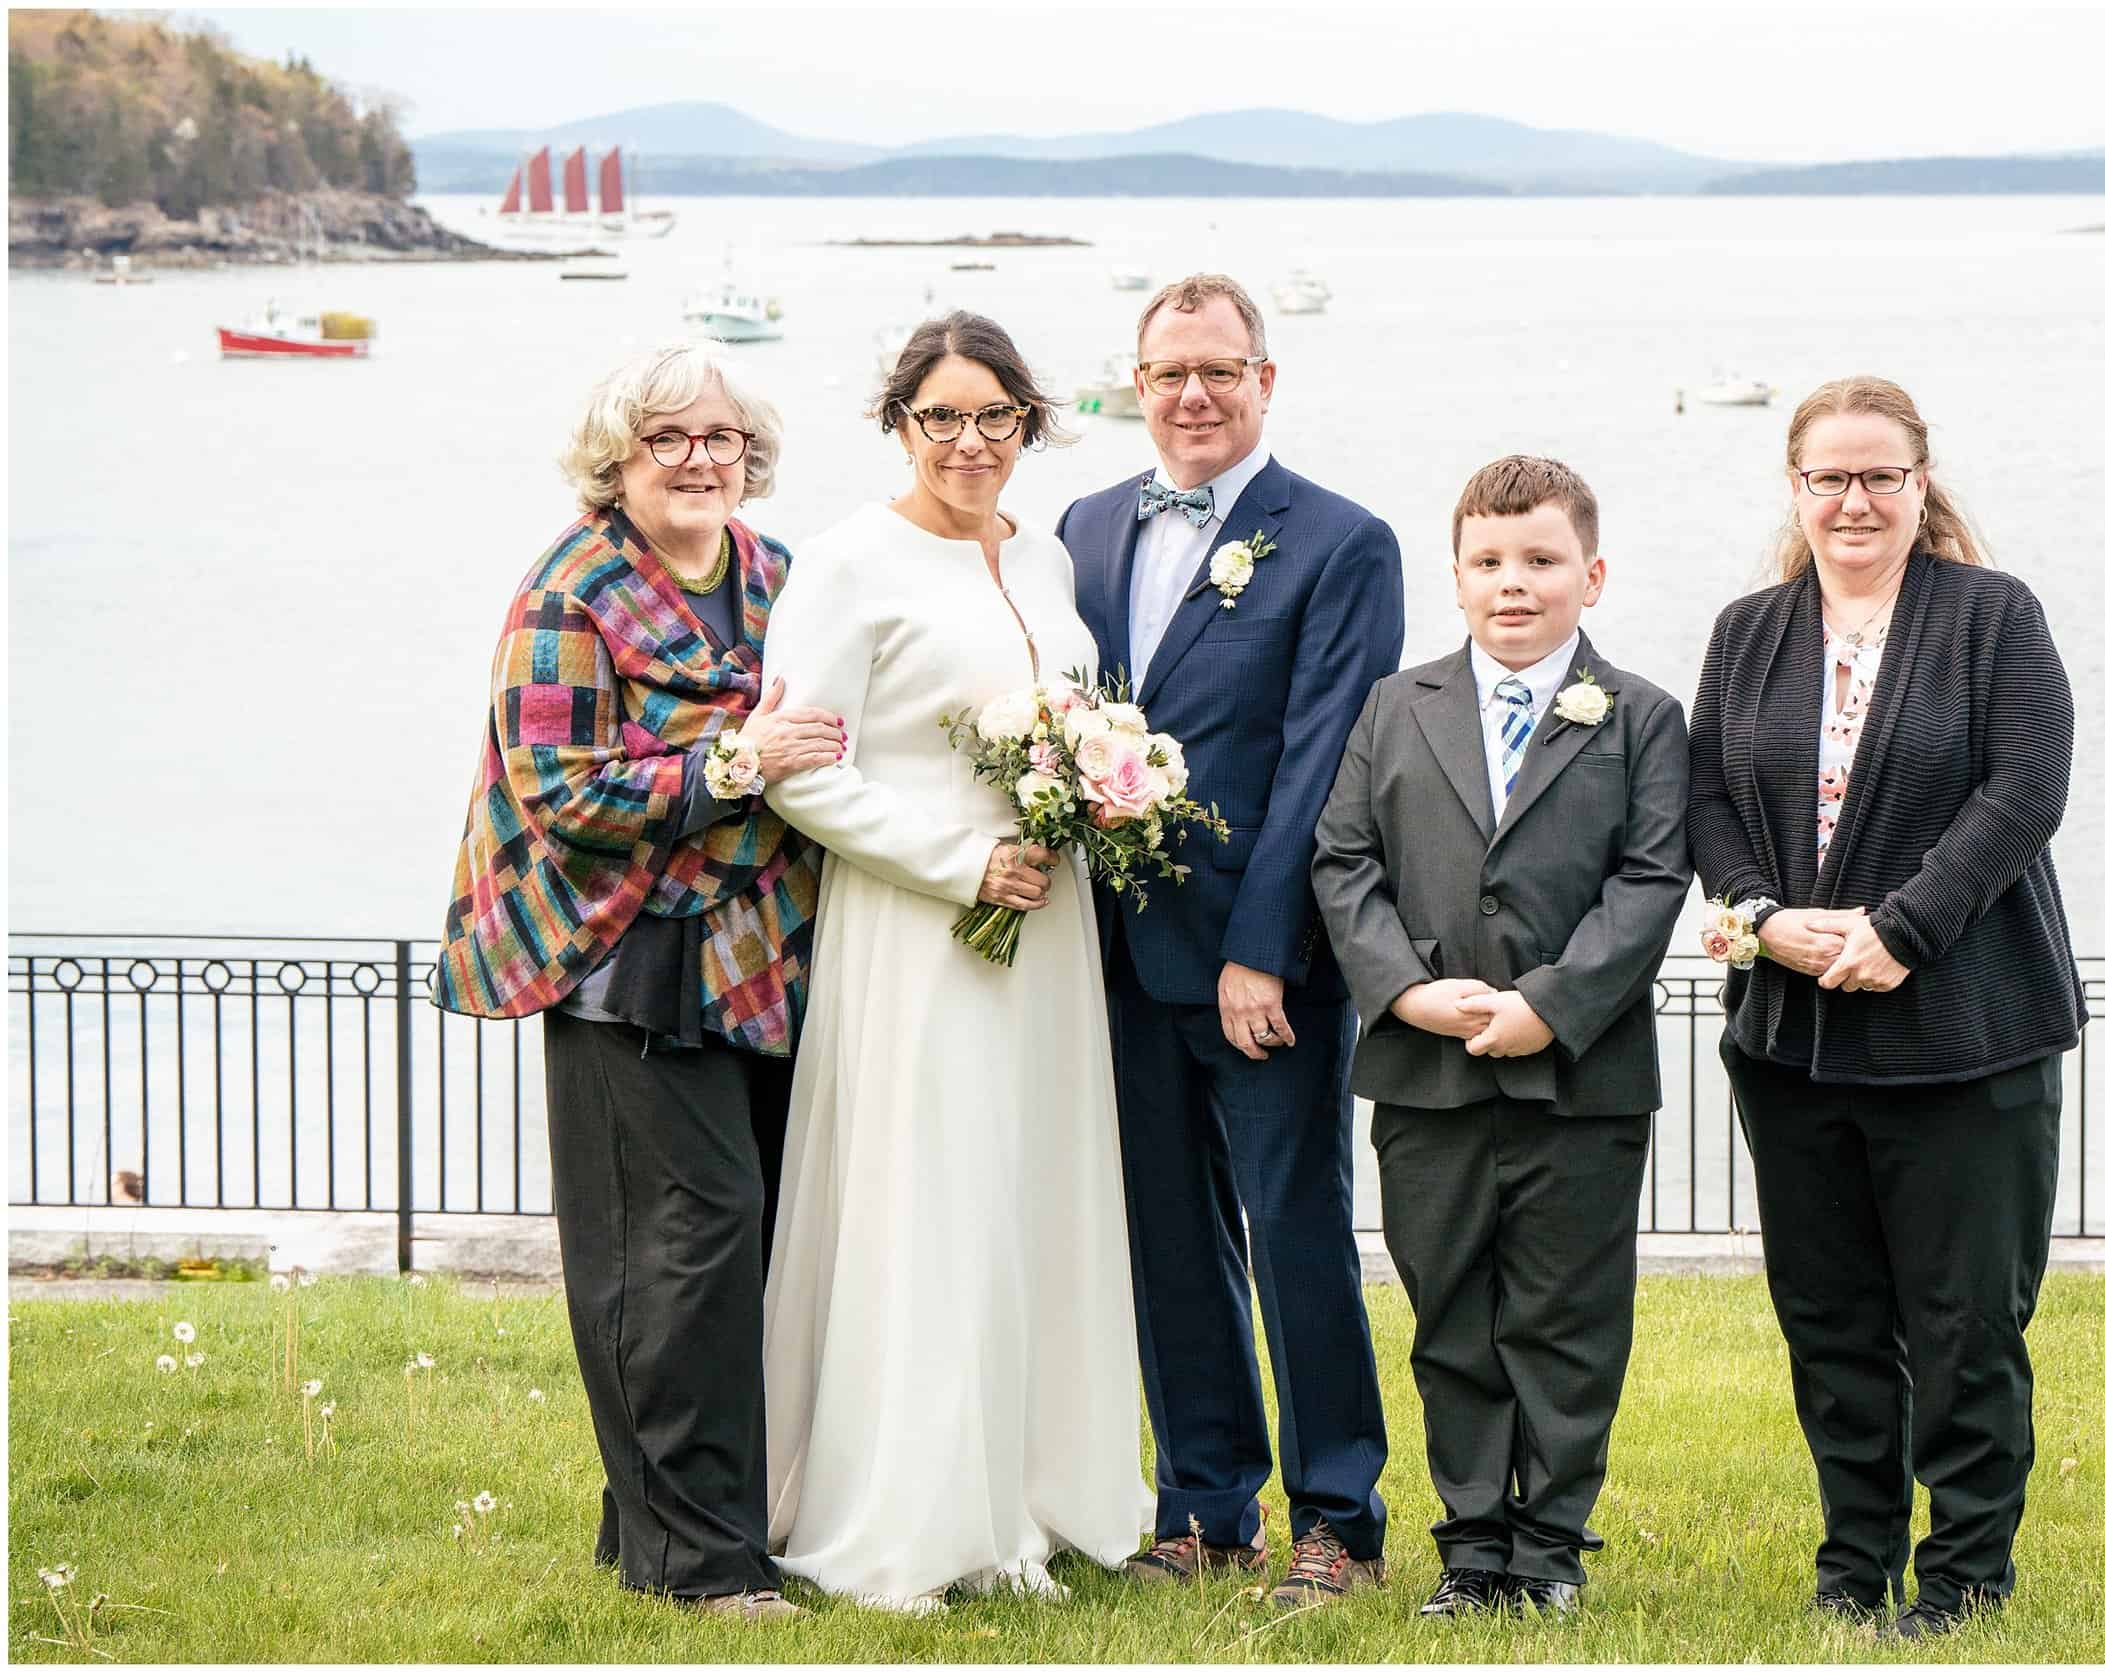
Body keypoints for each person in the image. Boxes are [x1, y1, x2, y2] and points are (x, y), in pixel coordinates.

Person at [435, 340, 847, 1623]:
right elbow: (561, 794)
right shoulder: (569, 590)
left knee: (743, 1246)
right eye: (668, 437)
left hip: (761, 953)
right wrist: (731, 763)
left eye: (720, 437)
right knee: (678, 1251)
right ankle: (704, 1566)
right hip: (615, 953)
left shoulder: (780, 575)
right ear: (616, 456)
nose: (699, 459)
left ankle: (656, 1531)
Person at [757, 311, 1152, 1613]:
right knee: (930, 1200)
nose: (971, 442)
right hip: (921, 933)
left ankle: (1026, 1499)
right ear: (900, 424)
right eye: (944, 417)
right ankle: (912, 1514)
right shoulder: (847, 563)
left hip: (1045, 932)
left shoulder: (1040, 559)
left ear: (1028, 425)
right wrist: (957, 863)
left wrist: (1091, 803)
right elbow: (803, 774)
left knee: (1028, 1191)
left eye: (996, 417)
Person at [1684, 376, 2085, 1640]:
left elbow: (2024, 790)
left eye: (1878, 475)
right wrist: (1759, 912)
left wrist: (1900, 930)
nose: (1852, 500)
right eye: (1827, 477)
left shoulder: (1992, 618)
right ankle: (1853, 1568)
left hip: (1961, 1034)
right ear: (1793, 487)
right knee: (1832, 1321)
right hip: (1792, 1043)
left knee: (1965, 1324)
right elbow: (1704, 799)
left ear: (1920, 483)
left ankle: (1965, 1576)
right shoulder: (1747, 630)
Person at [1056, 273, 1404, 1610]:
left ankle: (1341, 1518)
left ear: (1267, 381)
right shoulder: (1084, 526)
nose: (1192, 396)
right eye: (1166, 374)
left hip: (1265, 963)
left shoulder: (1339, 541)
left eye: (1219, 370)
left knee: (1297, 1227)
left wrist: (1265, 947)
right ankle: (1205, 1503)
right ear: (1135, 385)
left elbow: (1327, 761)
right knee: (1167, 1237)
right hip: (1116, 956)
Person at [1312, 456, 1691, 1619]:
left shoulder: (1639, 716)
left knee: (1565, 1317)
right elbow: (1343, 861)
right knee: (1453, 1312)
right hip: (1426, 1070)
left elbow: (1650, 875)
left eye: (1540, 561)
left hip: (1582, 1075)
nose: (1512, 585)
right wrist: (1406, 991)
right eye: (1489, 563)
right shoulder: (1396, 705)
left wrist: (1550, 1003)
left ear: (1593, 573)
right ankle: (1472, 1544)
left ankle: (1549, 1549)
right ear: (1458, 574)